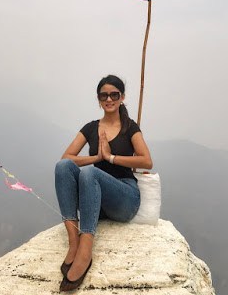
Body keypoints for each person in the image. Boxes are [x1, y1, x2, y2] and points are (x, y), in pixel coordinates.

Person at [55, 74, 152, 292]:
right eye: (104, 95)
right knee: (63, 167)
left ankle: (85, 251)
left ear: (122, 97)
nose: (109, 99)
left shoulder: (130, 127)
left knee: (90, 174)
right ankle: (74, 242)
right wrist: (97, 158)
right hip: (95, 200)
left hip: (125, 198)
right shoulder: (91, 128)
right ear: (98, 99)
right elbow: (66, 157)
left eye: (114, 95)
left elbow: (147, 160)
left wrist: (111, 158)